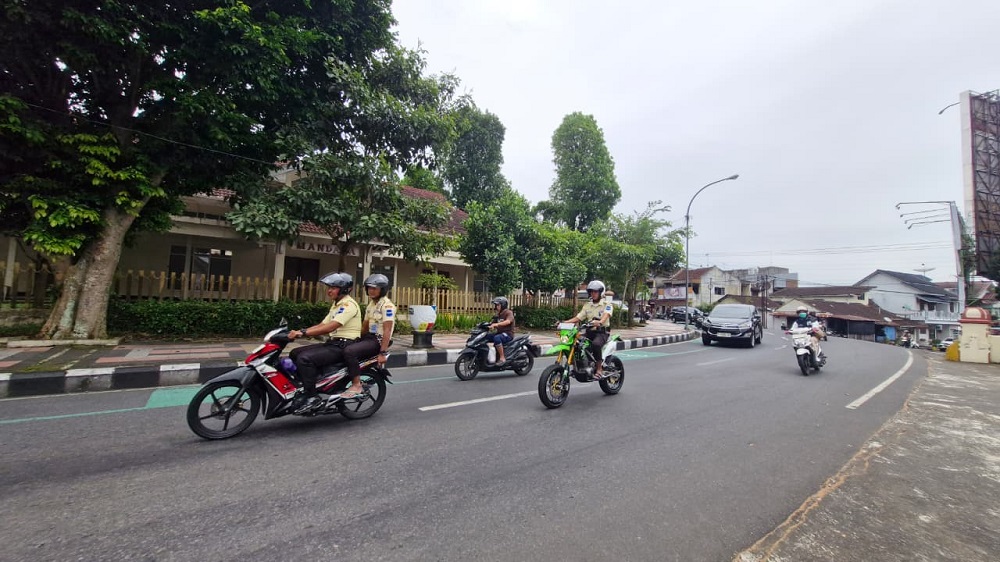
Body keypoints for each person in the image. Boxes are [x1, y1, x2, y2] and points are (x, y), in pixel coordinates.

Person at [287, 272, 362, 412]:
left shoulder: (348, 305)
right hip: (334, 343)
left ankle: (312, 396)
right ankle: (308, 385)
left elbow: (331, 326)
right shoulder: (336, 305)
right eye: (329, 287)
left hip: (345, 345)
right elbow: (322, 324)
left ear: (344, 289)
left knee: (304, 359)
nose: (329, 290)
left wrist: (303, 333)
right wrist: (301, 332)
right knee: (295, 353)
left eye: (333, 287)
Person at [338, 273, 396, 398]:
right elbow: (365, 326)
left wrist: (382, 353)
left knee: (349, 351)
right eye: (369, 288)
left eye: (374, 288)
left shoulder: (387, 306)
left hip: (378, 340)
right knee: (343, 346)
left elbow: (387, 330)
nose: (371, 290)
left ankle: (356, 384)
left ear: (382, 289)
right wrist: (354, 338)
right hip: (369, 337)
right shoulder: (371, 305)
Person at [561, 280, 614, 378]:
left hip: (602, 332)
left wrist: (600, 322)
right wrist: (564, 322)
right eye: (591, 292)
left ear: (600, 292)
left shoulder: (607, 304)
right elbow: (578, 318)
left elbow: (605, 316)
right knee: (574, 342)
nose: (593, 294)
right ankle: (577, 366)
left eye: (595, 292)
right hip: (589, 332)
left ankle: (599, 368)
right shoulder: (587, 305)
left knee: (596, 344)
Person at [488, 296, 515, 365]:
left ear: (503, 305)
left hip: (508, 334)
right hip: (500, 333)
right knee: (486, 336)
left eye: (498, 305)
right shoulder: (498, 314)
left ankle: (502, 358)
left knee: (497, 338)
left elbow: (508, 321)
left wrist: (496, 325)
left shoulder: (508, 312)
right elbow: (492, 323)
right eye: (496, 305)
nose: (496, 307)